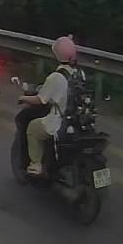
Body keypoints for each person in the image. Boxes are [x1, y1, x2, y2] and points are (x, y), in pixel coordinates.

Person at [18, 36, 79, 176]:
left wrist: (23, 98)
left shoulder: (56, 77)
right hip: (77, 121)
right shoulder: (79, 74)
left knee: (32, 128)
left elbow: (40, 100)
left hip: (60, 122)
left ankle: (35, 165)